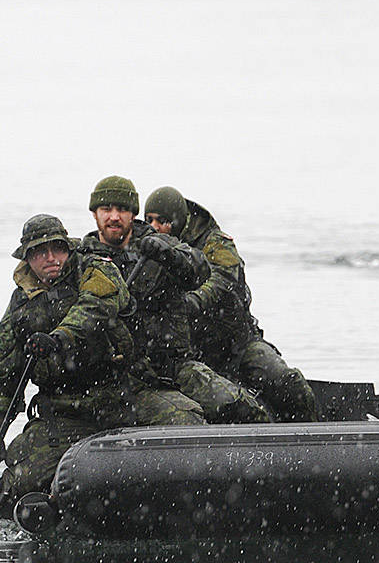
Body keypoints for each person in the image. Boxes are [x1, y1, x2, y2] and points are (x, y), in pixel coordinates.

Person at [0, 214, 204, 499]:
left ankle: (185, 495)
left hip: (125, 394)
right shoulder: (20, 310)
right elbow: (3, 377)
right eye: (39, 252)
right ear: (27, 259)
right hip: (67, 410)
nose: (51, 258)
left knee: (187, 424)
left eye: (57, 249)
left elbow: (95, 308)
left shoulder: (95, 269)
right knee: (24, 474)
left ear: (68, 248)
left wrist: (58, 339)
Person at [77, 175, 272, 424]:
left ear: (132, 214)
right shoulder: (83, 258)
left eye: (122, 210)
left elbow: (199, 270)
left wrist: (167, 255)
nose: (114, 217)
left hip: (173, 366)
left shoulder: (159, 243)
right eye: (106, 209)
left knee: (238, 407)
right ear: (95, 214)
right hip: (119, 377)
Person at [143, 186, 317, 422]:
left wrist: (192, 301)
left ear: (179, 221)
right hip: (195, 351)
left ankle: (310, 429)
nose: (155, 227)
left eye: (162, 221)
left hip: (238, 343)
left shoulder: (214, 243)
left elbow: (222, 279)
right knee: (228, 403)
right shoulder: (149, 248)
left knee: (281, 379)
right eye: (149, 220)